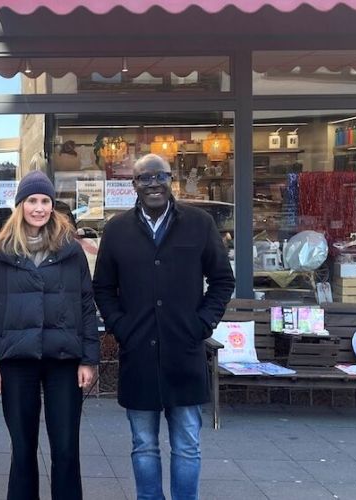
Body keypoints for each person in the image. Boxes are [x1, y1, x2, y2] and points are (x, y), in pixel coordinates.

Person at [93, 153, 235, 500]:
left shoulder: (199, 224)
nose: (154, 184)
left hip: (184, 353)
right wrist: (120, 327)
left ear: (171, 180)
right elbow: (103, 288)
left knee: (187, 444)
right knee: (143, 444)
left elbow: (222, 281)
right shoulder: (117, 230)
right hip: (138, 354)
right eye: (145, 178)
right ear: (134, 185)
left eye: (161, 176)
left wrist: (202, 324)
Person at [0, 171, 99, 500]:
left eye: (45, 201)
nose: (39, 208)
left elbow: (86, 304)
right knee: (22, 450)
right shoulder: (1, 253)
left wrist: (89, 359)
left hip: (64, 359)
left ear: (52, 205)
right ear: (20, 205)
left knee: (66, 448)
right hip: (17, 360)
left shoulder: (71, 251)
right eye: (32, 200)